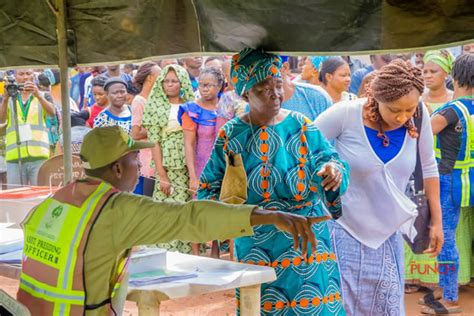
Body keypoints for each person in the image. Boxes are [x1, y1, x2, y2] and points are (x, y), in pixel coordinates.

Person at [17, 125, 330, 316]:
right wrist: (269, 215)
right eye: (134, 161)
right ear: (115, 169)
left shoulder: (58, 200)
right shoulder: (115, 210)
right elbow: (189, 218)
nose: (139, 168)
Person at [198, 48, 350, 315]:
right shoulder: (231, 134)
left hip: (307, 241)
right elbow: (208, 189)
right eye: (263, 88)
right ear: (245, 93)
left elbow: (330, 160)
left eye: (278, 84)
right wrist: (225, 222)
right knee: (262, 307)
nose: (275, 94)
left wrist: (332, 171)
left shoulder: (302, 126)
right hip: (258, 247)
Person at [314, 59, 443, 315]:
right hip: (342, 229)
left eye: (409, 110)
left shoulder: (419, 117)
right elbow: (304, 145)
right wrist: (325, 168)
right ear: (377, 98)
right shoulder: (346, 114)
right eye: (395, 109)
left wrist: (437, 221)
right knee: (343, 305)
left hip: (387, 235)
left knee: (387, 306)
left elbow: (428, 167)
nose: (402, 117)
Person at [420, 53, 474, 315]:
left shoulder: (452, 111)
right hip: (469, 179)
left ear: (455, 76)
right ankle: (444, 288)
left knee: (446, 237)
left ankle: (450, 297)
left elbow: (421, 137)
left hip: (448, 180)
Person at [141, 64, 197, 254]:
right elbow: (154, 142)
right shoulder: (156, 106)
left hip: (189, 166)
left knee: (186, 208)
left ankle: (185, 252)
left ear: (182, 83)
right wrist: (162, 175)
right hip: (168, 166)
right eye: (166, 81)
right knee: (168, 209)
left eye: (174, 81)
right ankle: (167, 252)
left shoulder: (191, 105)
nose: (170, 85)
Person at [178, 67, 226, 256]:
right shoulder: (192, 109)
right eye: (201, 85)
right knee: (198, 210)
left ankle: (215, 250)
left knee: (218, 209)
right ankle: (196, 254)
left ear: (219, 86)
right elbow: (188, 145)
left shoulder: (226, 107)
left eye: (209, 85)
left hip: (221, 167)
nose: (204, 89)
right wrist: (192, 175)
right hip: (200, 165)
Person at [0, 68, 55, 186]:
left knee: (40, 194)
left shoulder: (44, 95)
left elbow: (52, 113)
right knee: (16, 196)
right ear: (15, 77)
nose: (25, 77)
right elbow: (2, 119)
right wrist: (5, 98)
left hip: (38, 154)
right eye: (21, 74)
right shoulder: (8, 96)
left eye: (28, 73)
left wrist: (39, 95)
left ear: (33, 76)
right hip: (15, 155)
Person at [130, 62, 161, 178]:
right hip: (149, 158)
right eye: (160, 74)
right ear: (150, 78)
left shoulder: (157, 99)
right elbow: (136, 134)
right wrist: (158, 128)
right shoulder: (139, 101)